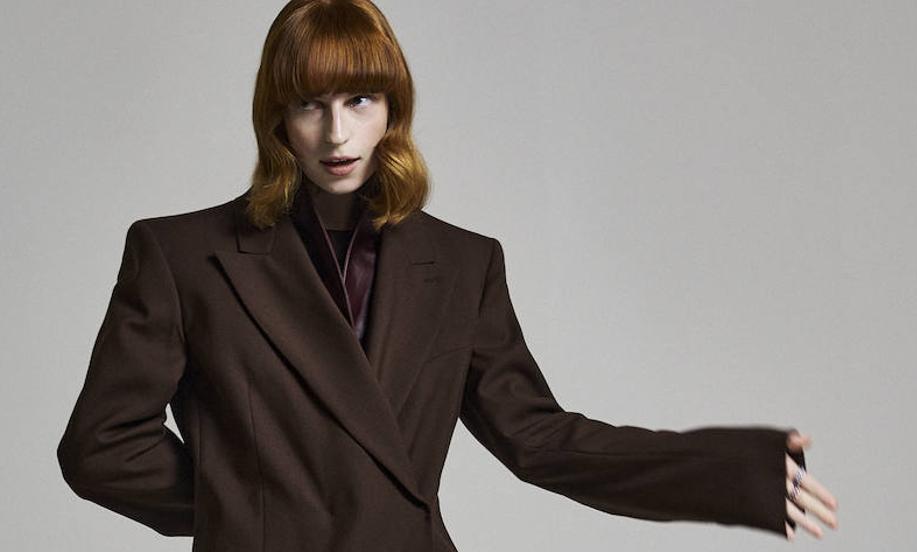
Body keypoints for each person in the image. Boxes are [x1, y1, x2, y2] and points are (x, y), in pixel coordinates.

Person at [56, 1, 838, 550]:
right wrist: (255, 511)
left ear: (392, 109)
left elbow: (540, 439)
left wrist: (733, 472)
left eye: (360, 100)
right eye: (311, 105)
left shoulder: (464, 264)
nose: (337, 132)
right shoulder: (183, 255)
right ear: (278, 118)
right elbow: (101, 447)